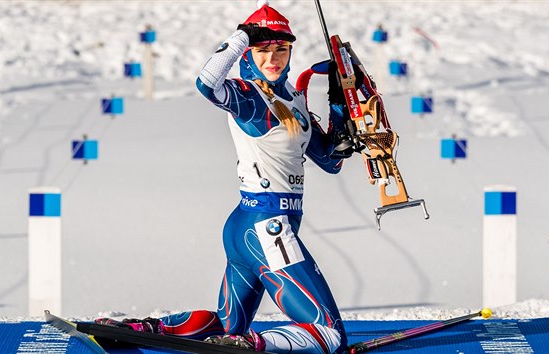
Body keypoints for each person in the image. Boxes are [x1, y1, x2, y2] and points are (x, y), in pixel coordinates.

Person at [96, 3, 355, 353]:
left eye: (281, 49)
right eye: (263, 51)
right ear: (249, 55)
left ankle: (144, 329)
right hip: (267, 228)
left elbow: (330, 160)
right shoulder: (250, 96)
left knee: (226, 327)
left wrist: (340, 100)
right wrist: (242, 36)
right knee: (329, 336)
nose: (273, 59)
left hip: (247, 227)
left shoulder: (291, 98)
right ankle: (254, 345)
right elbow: (207, 83)